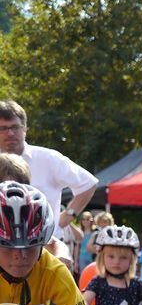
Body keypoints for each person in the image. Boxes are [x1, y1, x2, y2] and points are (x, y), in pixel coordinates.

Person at [0, 100, 98, 236]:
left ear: (25, 129)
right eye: (3, 128)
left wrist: (66, 217)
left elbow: (88, 183)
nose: (10, 133)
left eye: (15, 127)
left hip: (47, 245)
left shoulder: (48, 158)